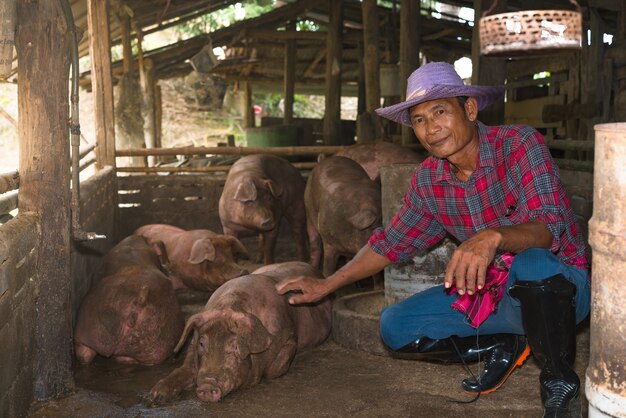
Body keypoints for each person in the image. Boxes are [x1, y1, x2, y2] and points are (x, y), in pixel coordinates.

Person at [275, 61, 589, 417]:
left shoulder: (519, 145)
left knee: (534, 262)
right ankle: (504, 340)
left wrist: (494, 236)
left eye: (440, 111)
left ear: (469, 109)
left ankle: (559, 384)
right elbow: (389, 243)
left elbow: (549, 228)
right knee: (394, 326)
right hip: (492, 296)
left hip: (561, 288)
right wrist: (326, 284)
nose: (431, 128)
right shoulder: (428, 180)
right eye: (419, 120)